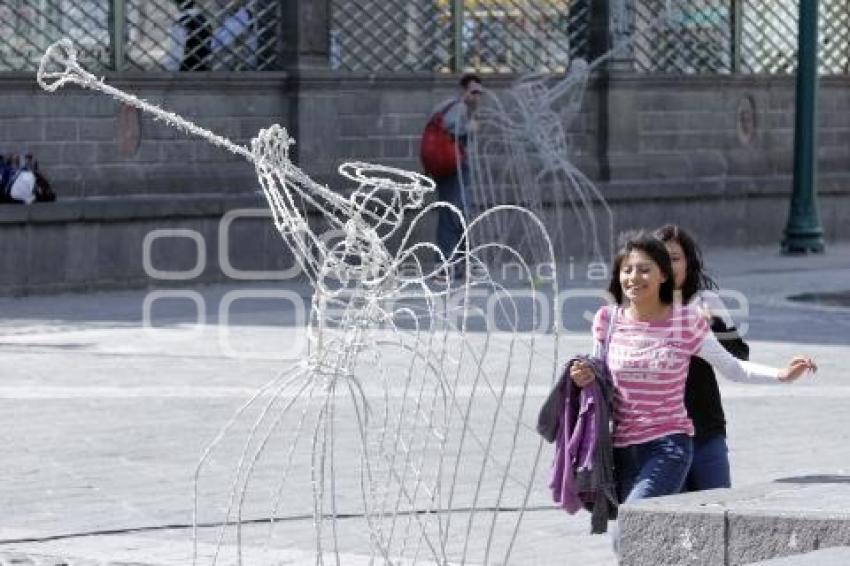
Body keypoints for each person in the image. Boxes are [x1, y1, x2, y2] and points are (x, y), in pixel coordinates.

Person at [569, 231, 816, 551]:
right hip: (623, 449)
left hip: (668, 447)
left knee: (626, 533)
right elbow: (599, 370)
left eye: (644, 269)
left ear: (662, 275)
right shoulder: (608, 320)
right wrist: (583, 374)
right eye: (627, 269)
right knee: (652, 543)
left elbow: (734, 366)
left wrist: (782, 374)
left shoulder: (686, 322)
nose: (634, 277)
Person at [655, 224, 744, 492]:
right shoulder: (640, 310)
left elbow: (740, 355)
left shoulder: (705, 301)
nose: (668, 266)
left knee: (718, 509)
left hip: (705, 427)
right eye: (660, 259)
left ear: (688, 263)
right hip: (661, 437)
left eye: (674, 258)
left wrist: (714, 324)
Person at [431, 73, 482, 281]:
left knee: (459, 214)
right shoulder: (458, 108)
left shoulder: (452, 106)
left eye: (480, 93)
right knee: (452, 215)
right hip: (453, 168)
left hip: (450, 166)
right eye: (473, 92)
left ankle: (462, 263)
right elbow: (450, 128)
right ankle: (443, 266)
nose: (477, 97)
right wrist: (470, 127)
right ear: (463, 91)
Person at [166, 0, 212, 71]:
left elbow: (177, 52)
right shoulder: (205, 21)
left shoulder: (182, 22)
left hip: (186, 71)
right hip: (204, 70)